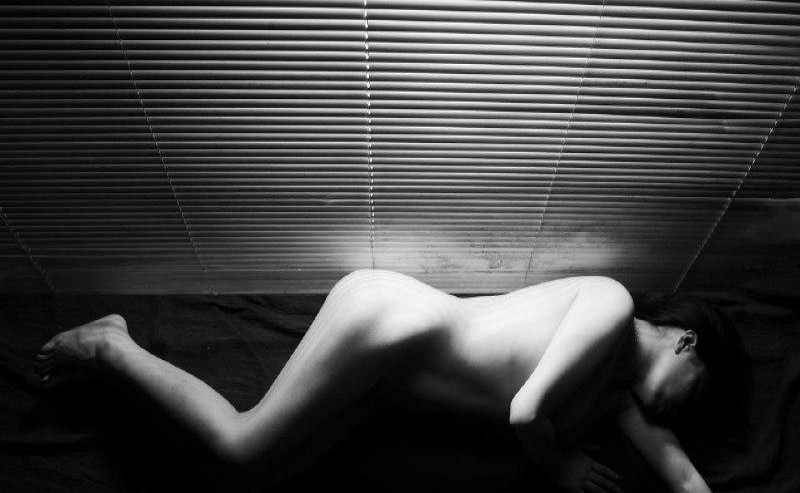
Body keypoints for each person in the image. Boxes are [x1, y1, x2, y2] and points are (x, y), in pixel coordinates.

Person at [33, 269, 749, 493]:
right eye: (699, 392)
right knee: (241, 454)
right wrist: (559, 463)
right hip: (394, 326)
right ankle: (109, 346)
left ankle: (116, 364)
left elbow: (684, 478)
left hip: (389, 381)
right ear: (688, 342)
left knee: (251, 478)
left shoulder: (617, 393)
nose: (682, 413)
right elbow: (526, 410)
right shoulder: (612, 306)